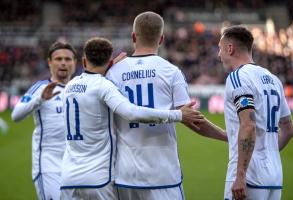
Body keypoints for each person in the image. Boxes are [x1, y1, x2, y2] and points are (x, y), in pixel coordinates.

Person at [60, 37, 202, 200]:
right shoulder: (104, 86)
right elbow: (132, 112)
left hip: (67, 178)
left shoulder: (69, 86)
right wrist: (178, 115)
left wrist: (111, 66)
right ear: (108, 61)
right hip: (98, 179)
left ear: (84, 61)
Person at [106, 11, 227, 200]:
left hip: (125, 175)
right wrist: (228, 136)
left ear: (133, 37)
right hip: (163, 175)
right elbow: (194, 121)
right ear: (161, 38)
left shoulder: (112, 73)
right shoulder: (171, 72)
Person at [218, 25, 293, 200]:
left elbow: (248, 124)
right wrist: (268, 154)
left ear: (230, 49)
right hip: (274, 176)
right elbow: (289, 130)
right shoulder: (274, 79)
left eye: (220, 48)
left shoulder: (238, 77)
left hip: (249, 177)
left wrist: (240, 175)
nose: (218, 55)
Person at [11, 41, 77, 200]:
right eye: (58, 58)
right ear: (49, 62)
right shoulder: (40, 88)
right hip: (48, 167)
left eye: (68, 59)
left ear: (75, 63)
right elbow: (16, 115)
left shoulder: (78, 88)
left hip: (75, 166)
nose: (63, 62)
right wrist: (40, 99)